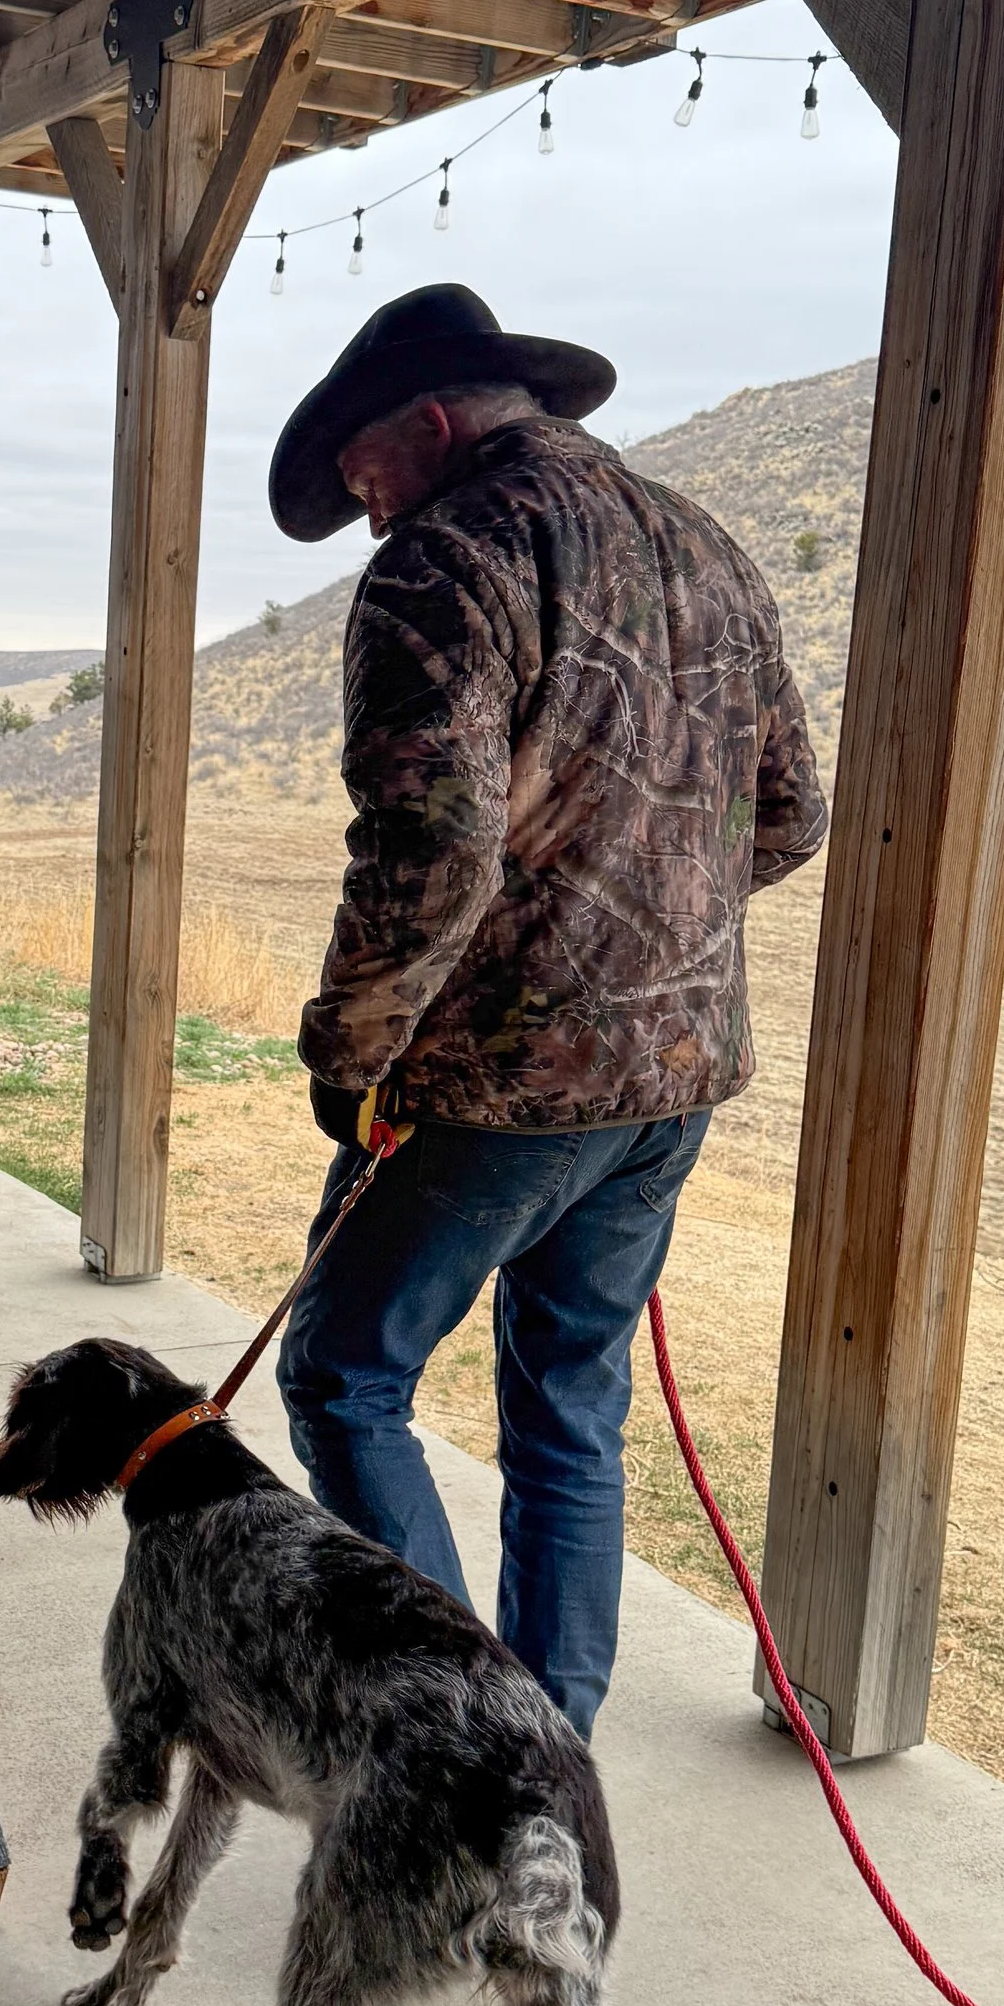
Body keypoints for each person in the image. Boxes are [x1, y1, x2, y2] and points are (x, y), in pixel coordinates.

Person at [269, 284, 828, 1741]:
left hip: (498, 1092)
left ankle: (459, 1743)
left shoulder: (447, 562)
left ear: (432, 425)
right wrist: (645, 933)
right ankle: (551, 1747)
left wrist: (352, 1048)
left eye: (363, 476)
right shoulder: (708, 546)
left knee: (343, 1375)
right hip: (677, 1081)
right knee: (571, 1401)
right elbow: (792, 815)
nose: (370, 511)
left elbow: (429, 850)